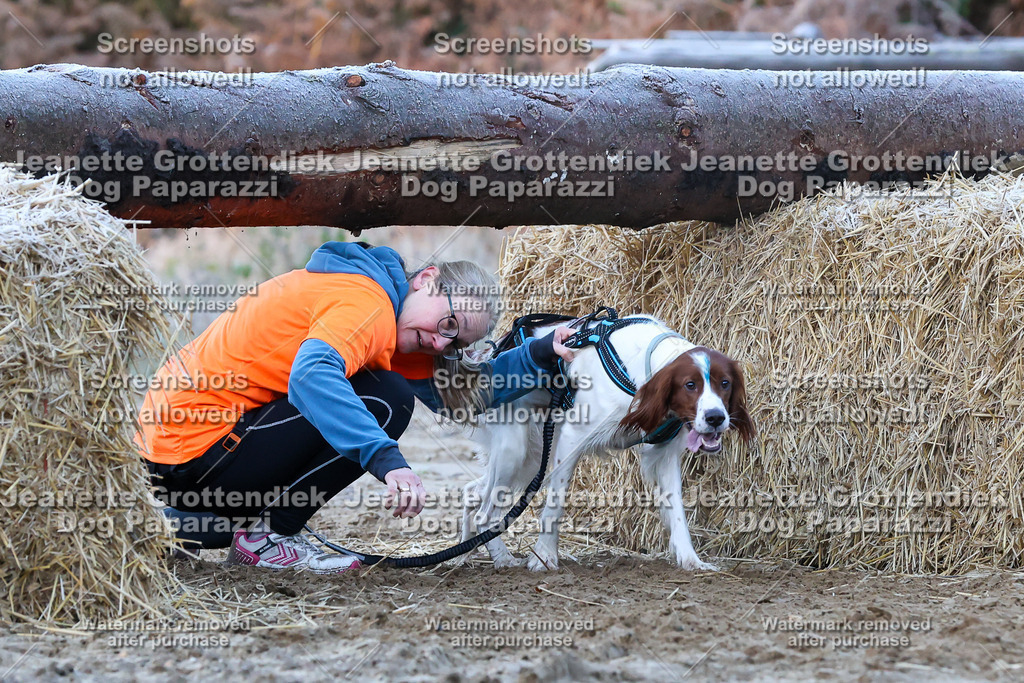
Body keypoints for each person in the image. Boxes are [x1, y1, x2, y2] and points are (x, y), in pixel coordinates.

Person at [135, 240, 574, 574]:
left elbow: (464, 395)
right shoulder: (367, 304)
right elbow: (311, 376)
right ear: (426, 279)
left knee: (384, 390)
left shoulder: (394, 321)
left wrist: (538, 353)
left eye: (455, 342)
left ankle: (166, 524)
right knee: (389, 399)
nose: (441, 342)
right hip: (195, 449)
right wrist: (388, 461)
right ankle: (270, 537)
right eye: (448, 323)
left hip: (176, 455)